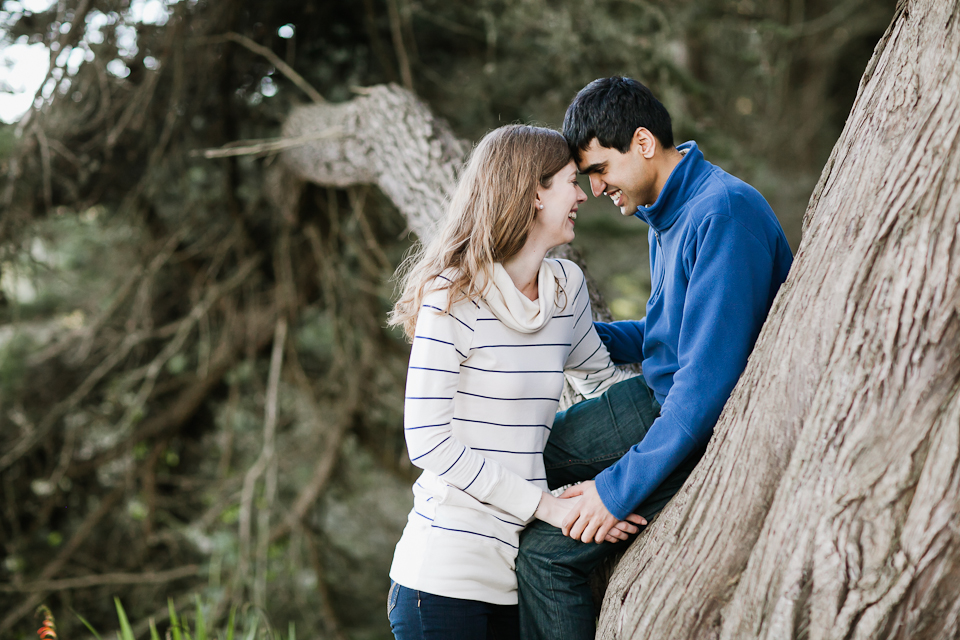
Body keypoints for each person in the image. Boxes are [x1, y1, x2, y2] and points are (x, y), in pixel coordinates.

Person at [516, 76, 794, 639]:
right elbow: (670, 331)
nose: (595, 191)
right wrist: (578, 337)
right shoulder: (666, 209)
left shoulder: (724, 214)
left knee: (543, 557)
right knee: (518, 459)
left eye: (599, 171)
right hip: (653, 399)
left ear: (643, 143)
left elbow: (704, 389)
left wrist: (614, 491)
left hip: (690, 426)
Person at [385, 124, 643, 640]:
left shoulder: (565, 288)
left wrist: (627, 481)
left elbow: (601, 383)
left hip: (515, 579)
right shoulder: (452, 296)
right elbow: (428, 441)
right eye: (571, 181)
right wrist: (550, 507)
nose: (582, 195)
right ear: (533, 192)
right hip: (441, 582)